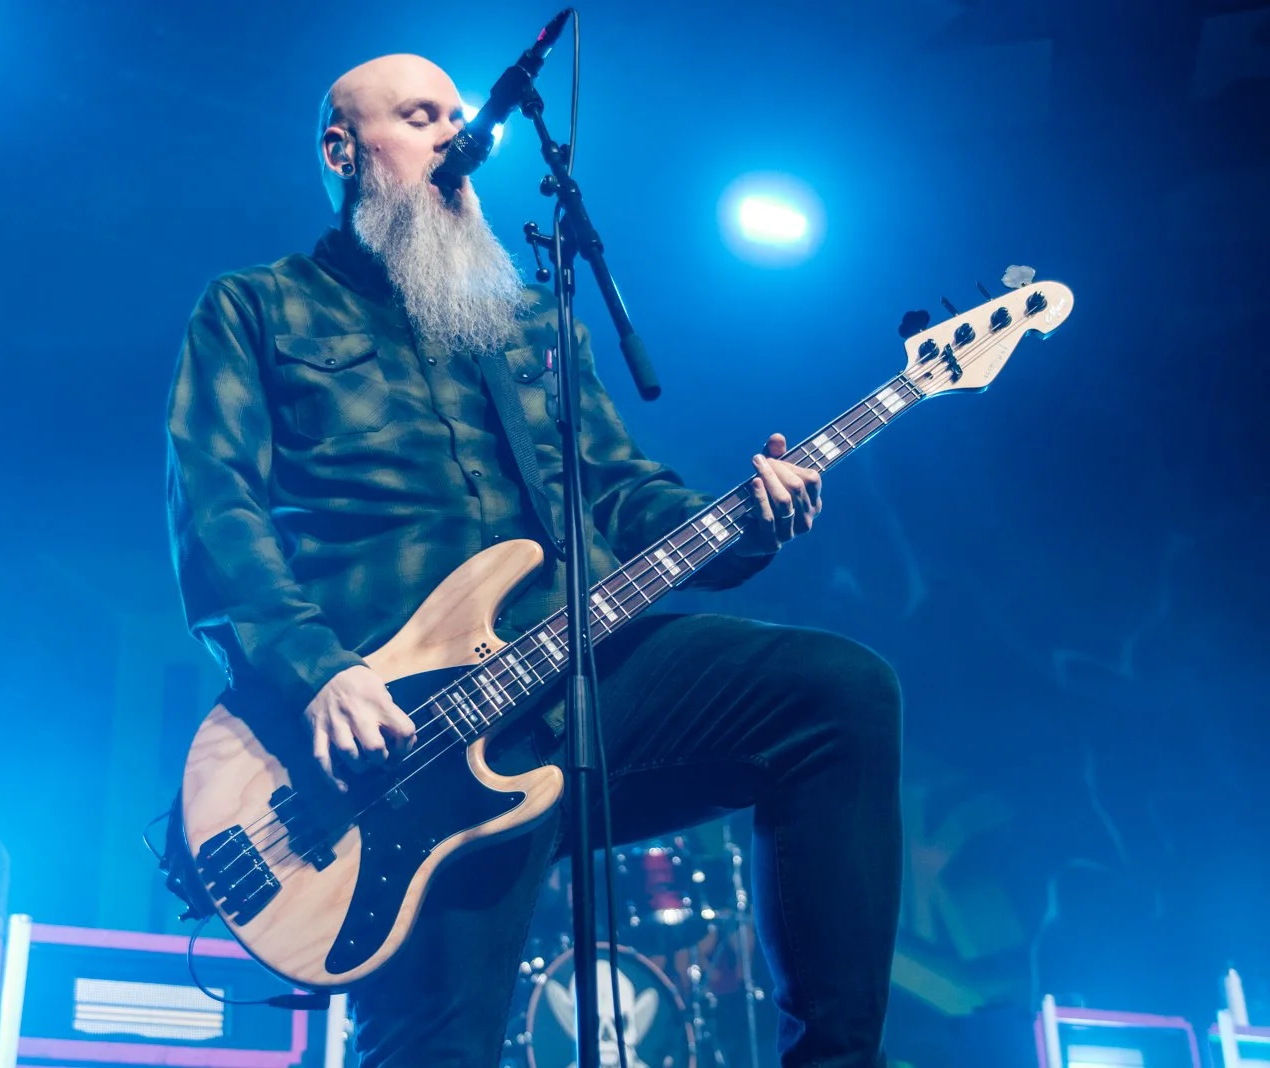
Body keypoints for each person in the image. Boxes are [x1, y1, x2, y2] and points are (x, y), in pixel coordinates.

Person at [166, 53, 902, 1068]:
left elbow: (616, 490)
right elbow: (215, 509)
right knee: (436, 1050)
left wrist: (744, 520)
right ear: (344, 150)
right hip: (399, 746)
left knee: (835, 693)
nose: (450, 137)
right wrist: (317, 671)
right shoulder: (259, 308)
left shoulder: (527, 323)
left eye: (457, 118)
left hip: (580, 676)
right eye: (419, 116)